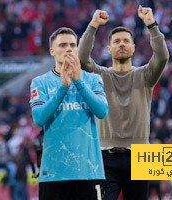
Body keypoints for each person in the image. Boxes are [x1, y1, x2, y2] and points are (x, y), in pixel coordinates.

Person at [78, 6, 170, 200]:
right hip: (104, 156)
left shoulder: (145, 75)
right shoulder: (99, 75)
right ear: (109, 48)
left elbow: (162, 56)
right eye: (117, 41)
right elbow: (81, 58)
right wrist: (93, 25)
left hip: (140, 155)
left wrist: (151, 24)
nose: (121, 44)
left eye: (126, 41)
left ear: (134, 47)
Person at [30, 27, 109, 200]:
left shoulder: (93, 79)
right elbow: (39, 118)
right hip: (53, 173)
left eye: (73, 45)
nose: (69, 49)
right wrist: (63, 88)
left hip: (89, 171)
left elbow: (102, 111)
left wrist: (78, 81)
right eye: (63, 45)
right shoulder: (40, 82)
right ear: (52, 51)